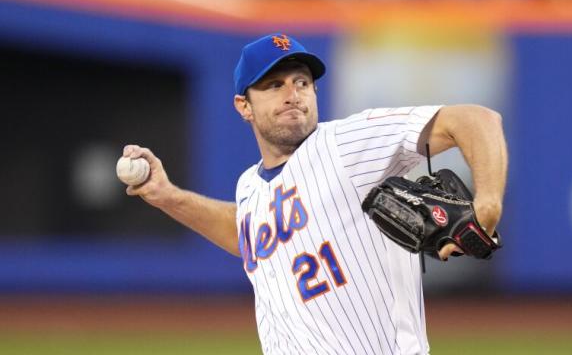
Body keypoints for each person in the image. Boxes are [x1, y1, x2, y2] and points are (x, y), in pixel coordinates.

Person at [122, 33, 508, 354]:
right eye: (274, 85)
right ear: (244, 106)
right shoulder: (249, 186)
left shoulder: (344, 144)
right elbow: (247, 231)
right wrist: (166, 195)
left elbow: (476, 120)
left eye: (301, 83)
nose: (293, 94)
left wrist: (486, 205)